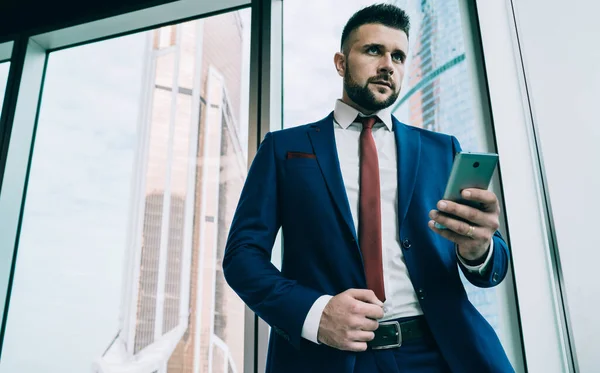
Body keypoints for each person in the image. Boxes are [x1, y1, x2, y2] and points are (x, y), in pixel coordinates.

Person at [223, 3, 514, 373]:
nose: (388, 65)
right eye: (373, 50)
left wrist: (479, 248)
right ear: (341, 63)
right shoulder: (284, 149)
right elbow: (242, 258)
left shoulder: (443, 150)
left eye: (399, 56)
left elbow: (492, 268)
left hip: (440, 352)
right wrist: (316, 314)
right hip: (326, 355)